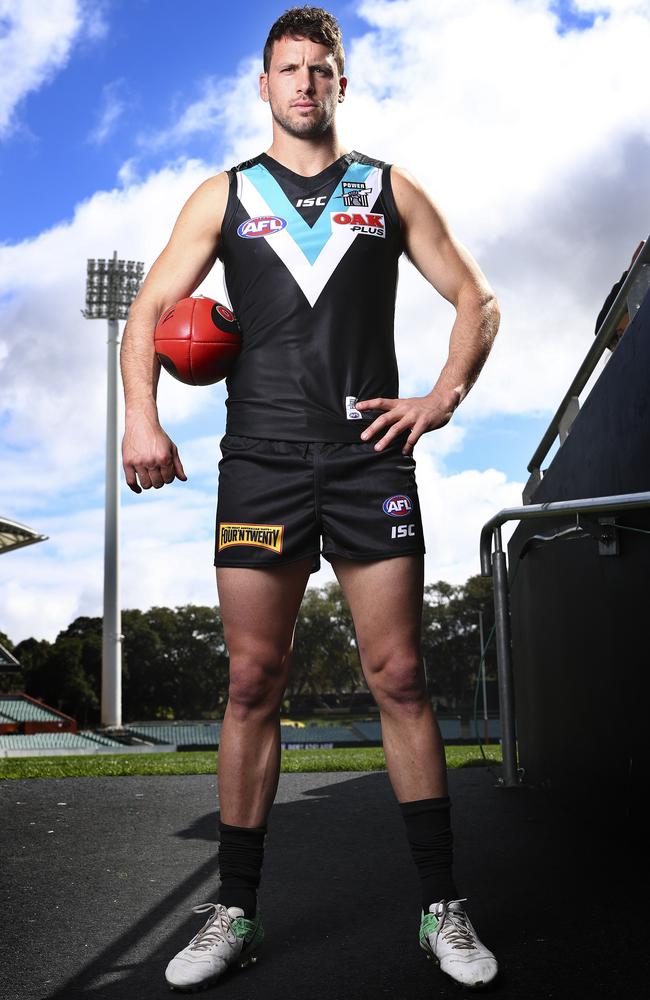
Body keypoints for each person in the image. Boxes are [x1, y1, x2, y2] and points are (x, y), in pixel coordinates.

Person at [120, 5, 501, 992]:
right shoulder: (225, 195)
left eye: (318, 70)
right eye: (286, 69)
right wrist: (142, 420)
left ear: (339, 82)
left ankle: (440, 907)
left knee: (400, 673)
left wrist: (440, 397)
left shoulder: (386, 188)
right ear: (263, 84)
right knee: (251, 681)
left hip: (367, 457)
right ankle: (234, 909)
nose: (302, 84)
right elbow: (150, 313)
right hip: (260, 464)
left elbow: (476, 298)